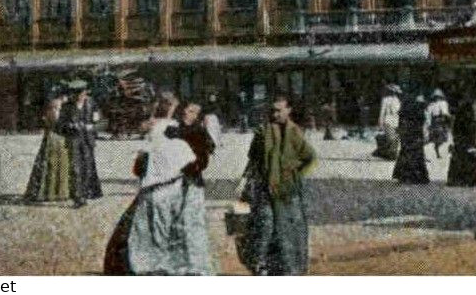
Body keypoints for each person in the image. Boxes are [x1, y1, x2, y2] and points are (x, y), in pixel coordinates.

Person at [106, 93, 216, 275]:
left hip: (190, 186)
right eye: (189, 111)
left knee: (188, 227)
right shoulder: (169, 128)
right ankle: (159, 265)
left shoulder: (195, 132)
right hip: (169, 184)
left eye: (196, 112)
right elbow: (144, 161)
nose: (191, 115)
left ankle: (190, 266)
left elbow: (201, 160)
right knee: (158, 226)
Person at [241, 94, 317, 275]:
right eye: (273, 110)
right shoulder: (263, 131)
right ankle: (261, 265)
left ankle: (291, 269)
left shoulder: (295, 133)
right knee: (265, 226)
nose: (275, 114)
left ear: (288, 110)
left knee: (290, 230)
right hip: (265, 188)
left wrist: (295, 176)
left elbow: (310, 158)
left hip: (288, 191)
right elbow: (253, 160)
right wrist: (247, 182)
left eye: (279, 110)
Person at [25, 92, 73, 203]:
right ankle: (50, 192)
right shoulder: (55, 105)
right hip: (55, 139)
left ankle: (58, 192)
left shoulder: (59, 105)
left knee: (60, 165)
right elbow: (56, 121)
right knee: (52, 164)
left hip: (58, 138)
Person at [64, 85, 103, 206]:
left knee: (87, 168)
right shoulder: (67, 106)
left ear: (85, 93)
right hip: (74, 140)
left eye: (81, 93)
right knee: (75, 168)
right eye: (76, 94)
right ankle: (78, 196)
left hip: (87, 140)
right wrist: (70, 125)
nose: (79, 96)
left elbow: (101, 122)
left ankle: (85, 193)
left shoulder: (92, 104)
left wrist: (92, 127)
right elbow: (60, 124)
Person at [424, 89, 453, 182]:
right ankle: (437, 151)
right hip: (438, 121)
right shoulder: (435, 105)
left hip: (439, 121)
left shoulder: (439, 104)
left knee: (440, 137)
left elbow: (443, 113)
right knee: (439, 136)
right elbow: (443, 113)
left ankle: (437, 150)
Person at [375, 84, 402, 161]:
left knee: (396, 139)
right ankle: (387, 153)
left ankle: (393, 154)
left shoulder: (397, 100)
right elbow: (382, 112)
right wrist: (380, 122)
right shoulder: (385, 99)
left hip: (396, 120)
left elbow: (399, 112)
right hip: (388, 120)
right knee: (391, 138)